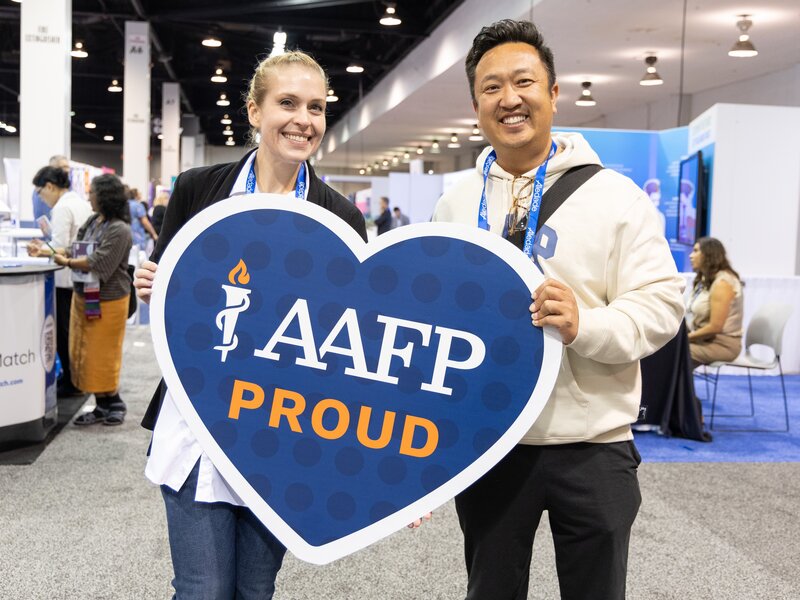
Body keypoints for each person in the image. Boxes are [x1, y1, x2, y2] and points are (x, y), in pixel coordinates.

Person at [431, 20, 684, 600]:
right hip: (491, 443)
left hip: (593, 443)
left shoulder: (617, 198)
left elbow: (662, 304)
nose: (510, 99)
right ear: (476, 106)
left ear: (553, 94)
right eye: (492, 88)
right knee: (490, 589)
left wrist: (585, 324)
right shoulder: (456, 203)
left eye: (524, 82)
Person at [133, 50, 367, 599]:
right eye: (287, 103)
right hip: (200, 423)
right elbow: (169, 293)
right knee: (203, 589)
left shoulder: (342, 218)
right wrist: (154, 284)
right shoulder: (197, 189)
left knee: (255, 591)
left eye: (315, 107)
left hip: (283, 433)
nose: (303, 120)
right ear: (254, 111)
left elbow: (344, 339)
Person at [51, 174, 132, 426]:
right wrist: (49, 251)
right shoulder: (93, 221)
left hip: (108, 301)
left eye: (92, 193)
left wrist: (66, 262)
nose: (89, 197)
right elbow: (78, 248)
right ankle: (101, 405)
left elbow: (99, 262)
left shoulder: (120, 229)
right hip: (84, 296)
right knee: (84, 352)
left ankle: (115, 401)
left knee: (103, 354)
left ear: (105, 196)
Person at [27, 165, 93, 396]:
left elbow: (60, 245)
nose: (41, 198)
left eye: (40, 192)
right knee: (76, 331)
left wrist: (40, 250)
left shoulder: (63, 207)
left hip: (66, 279)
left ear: (50, 186)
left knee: (65, 333)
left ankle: (72, 381)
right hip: (82, 277)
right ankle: (78, 378)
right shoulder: (81, 202)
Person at [686, 237, 743, 368]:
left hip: (722, 345)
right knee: (666, 349)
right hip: (703, 341)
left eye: (695, 251)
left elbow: (714, 328)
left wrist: (685, 339)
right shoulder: (706, 279)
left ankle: (676, 388)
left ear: (708, 255)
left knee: (673, 353)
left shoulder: (723, 283)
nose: (691, 255)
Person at [32, 154, 70, 221]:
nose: (67, 170)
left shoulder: (68, 190)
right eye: (63, 167)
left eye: (67, 167)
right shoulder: (42, 192)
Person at [127, 186, 158, 252]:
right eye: (139, 193)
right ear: (136, 195)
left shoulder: (126, 204)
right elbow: (145, 222)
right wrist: (154, 233)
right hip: (136, 235)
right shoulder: (138, 206)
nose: (141, 194)